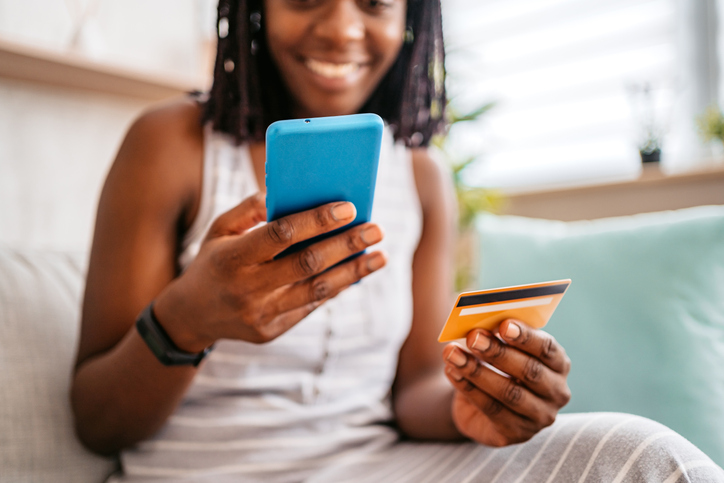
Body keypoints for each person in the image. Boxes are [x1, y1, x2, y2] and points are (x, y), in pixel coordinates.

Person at [70, 0, 724, 481]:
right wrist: (185, 318)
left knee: (641, 454)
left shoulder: (422, 173)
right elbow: (98, 422)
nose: (343, 27)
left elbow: (413, 388)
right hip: (206, 472)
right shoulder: (170, 144)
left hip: (379, 466)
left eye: (376, 2)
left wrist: (474, 403)